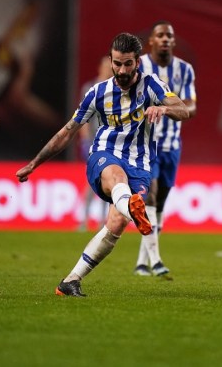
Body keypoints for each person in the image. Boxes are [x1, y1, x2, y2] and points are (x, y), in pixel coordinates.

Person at [15, 32, 190, 297]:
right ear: (111, 61)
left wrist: (163, 109)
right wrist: (34, 163)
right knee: (117, 177)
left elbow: (183, 110)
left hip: (140, 165)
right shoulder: (97, 93)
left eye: (128, 64)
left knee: (117, 223)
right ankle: (132, 207)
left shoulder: (152, 85)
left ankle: (70, 281)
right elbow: (67, 132)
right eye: (117, 63)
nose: (122, 70)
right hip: (104, 156)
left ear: (137, 62)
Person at [133, 20, 197, 278]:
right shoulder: (139, 66)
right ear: (151, 41)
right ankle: (157, 261)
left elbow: (191, 106)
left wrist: (166, 109)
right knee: (149, 196)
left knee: (158, 205)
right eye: (160, 35)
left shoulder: (185, 69)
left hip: (172, 146)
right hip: (146, 144)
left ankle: (141, 262)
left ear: (173, 41)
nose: (165, 39)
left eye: (169, 36)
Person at [76, 56, 114, 231]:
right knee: (92, 181)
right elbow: (83, 117)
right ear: (100, 68)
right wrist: (85, 140)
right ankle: (84, 220)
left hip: (111, 142)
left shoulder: (116, 89)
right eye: (106, 66)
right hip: (94, 142)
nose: (108, 70)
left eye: (110, 67)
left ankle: (102, 221)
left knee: (108, 182)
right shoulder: (90, 88)